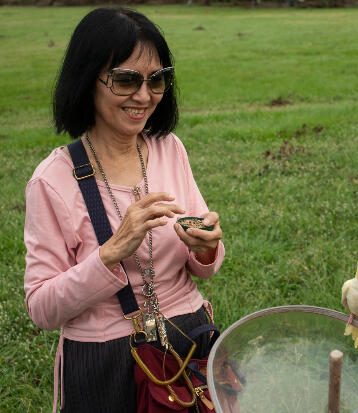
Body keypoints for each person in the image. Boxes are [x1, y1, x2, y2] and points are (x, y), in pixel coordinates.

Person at [23, 8, 225, 412]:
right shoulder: (52, 180)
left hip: (189, 339)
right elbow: (41, 307)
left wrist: (205, 247)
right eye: (126, 80)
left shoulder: (170, 148)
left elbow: (204, 262)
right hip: (105, 359)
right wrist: (110, 252)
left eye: (156, 79)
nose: (144, 96)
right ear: (88, 81)